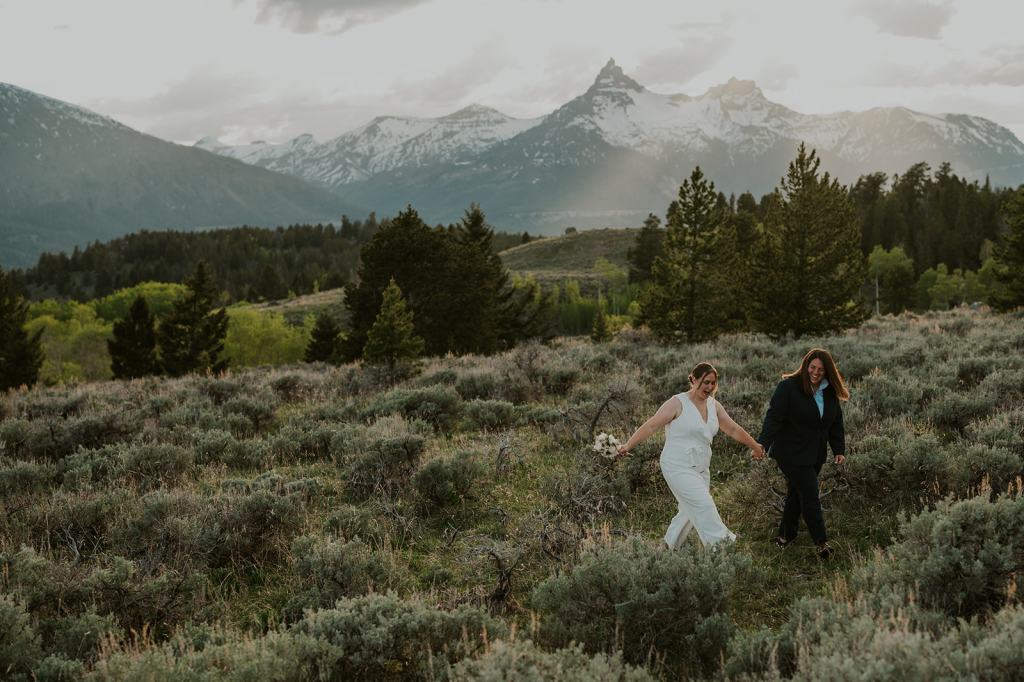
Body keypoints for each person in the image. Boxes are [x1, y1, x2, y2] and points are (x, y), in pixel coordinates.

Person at [617, 362, 765, 549]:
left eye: (713, 383)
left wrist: (756, 447)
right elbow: (651, 425)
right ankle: (723, 547)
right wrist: (628, 445)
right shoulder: (677, 403)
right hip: (676, 465)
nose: (710, 387)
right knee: (704, 504)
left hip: (701, 467)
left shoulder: (714, 406)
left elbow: (734, 429)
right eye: (705, 382)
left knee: (688, 511)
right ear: (694, 380)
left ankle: (667, 548)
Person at [758, 348, 848, 559]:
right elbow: (774, 417)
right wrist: (761, 444)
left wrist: (839, 449)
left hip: (815, 454)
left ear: (828, 371)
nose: (816, 372)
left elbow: (835, 423)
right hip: (790, 452)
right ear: (806, 366)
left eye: (821, 369)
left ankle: (785, 536)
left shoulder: (829, 391)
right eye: (812, 367)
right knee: (809, 494)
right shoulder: (788, 387)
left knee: (796, 494)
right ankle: (822, 542)